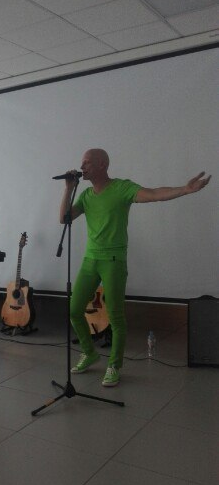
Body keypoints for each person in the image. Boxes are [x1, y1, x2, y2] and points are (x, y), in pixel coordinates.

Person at [60, 148, 211, 387]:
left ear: (102, 165)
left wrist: (184, 189)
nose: (82, 167)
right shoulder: (86, 194)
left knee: (116, 316)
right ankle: (89, 353)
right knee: (74, 310)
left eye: (87, 162)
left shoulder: (121, 188)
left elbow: (153, 194)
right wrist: (69, 188)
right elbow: (64, 218)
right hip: (90, 260)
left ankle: (114, 365)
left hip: (113, 261)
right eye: (82, 162)